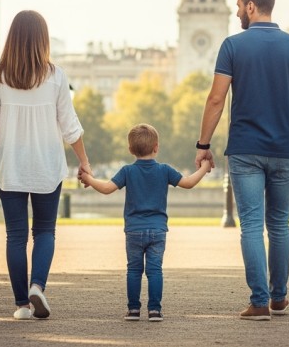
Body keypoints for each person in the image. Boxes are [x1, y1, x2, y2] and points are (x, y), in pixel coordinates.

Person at [195, 0, 289, 321]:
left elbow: (217, 99)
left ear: (251, 7)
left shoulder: (233, 46)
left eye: (239, 6)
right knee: (280, 224)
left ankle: (259, 301)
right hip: (284, 151)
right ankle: (279, 298)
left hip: (245, 150)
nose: (237, 11)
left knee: (251, 225)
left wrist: (203, 145)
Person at [0, 10, 91, 321]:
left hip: (10, 167)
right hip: (47, 166)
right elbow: (70, 126)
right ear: (43, 39)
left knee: (15, 235)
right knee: (44, 232)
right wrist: (84, 163)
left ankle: (22, 306)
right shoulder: (56, 77)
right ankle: (37, 285)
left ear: (11, 38)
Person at [79, 123, 211, 322]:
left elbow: (106, 188)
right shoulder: (165, 170)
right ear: (156, 147)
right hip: (158, 231)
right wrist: (205, 167)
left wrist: (89, 178)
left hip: (133, 230)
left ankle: (133, 310)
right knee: (155, 270)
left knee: (133, 270)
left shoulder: (127, 171)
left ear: (130, 149)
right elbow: (189, 183)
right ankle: (155, 310)